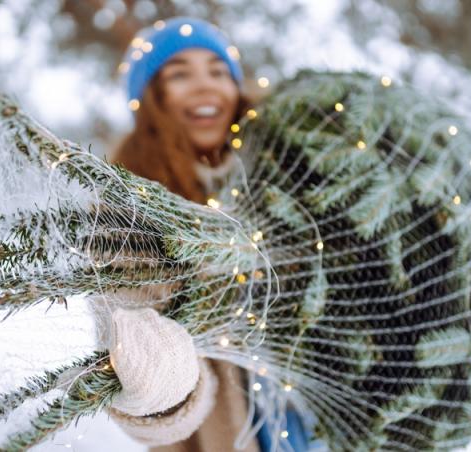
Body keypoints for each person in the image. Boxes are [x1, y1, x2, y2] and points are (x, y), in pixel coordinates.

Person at [100, 16, 313, 452]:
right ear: (151, 100)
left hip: (318, 424)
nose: (205, 86)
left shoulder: (287, 176)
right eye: (180, 75)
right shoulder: (125, 210)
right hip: (230, 435)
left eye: (218, 72)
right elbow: (156, 408)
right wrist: (155, 385)